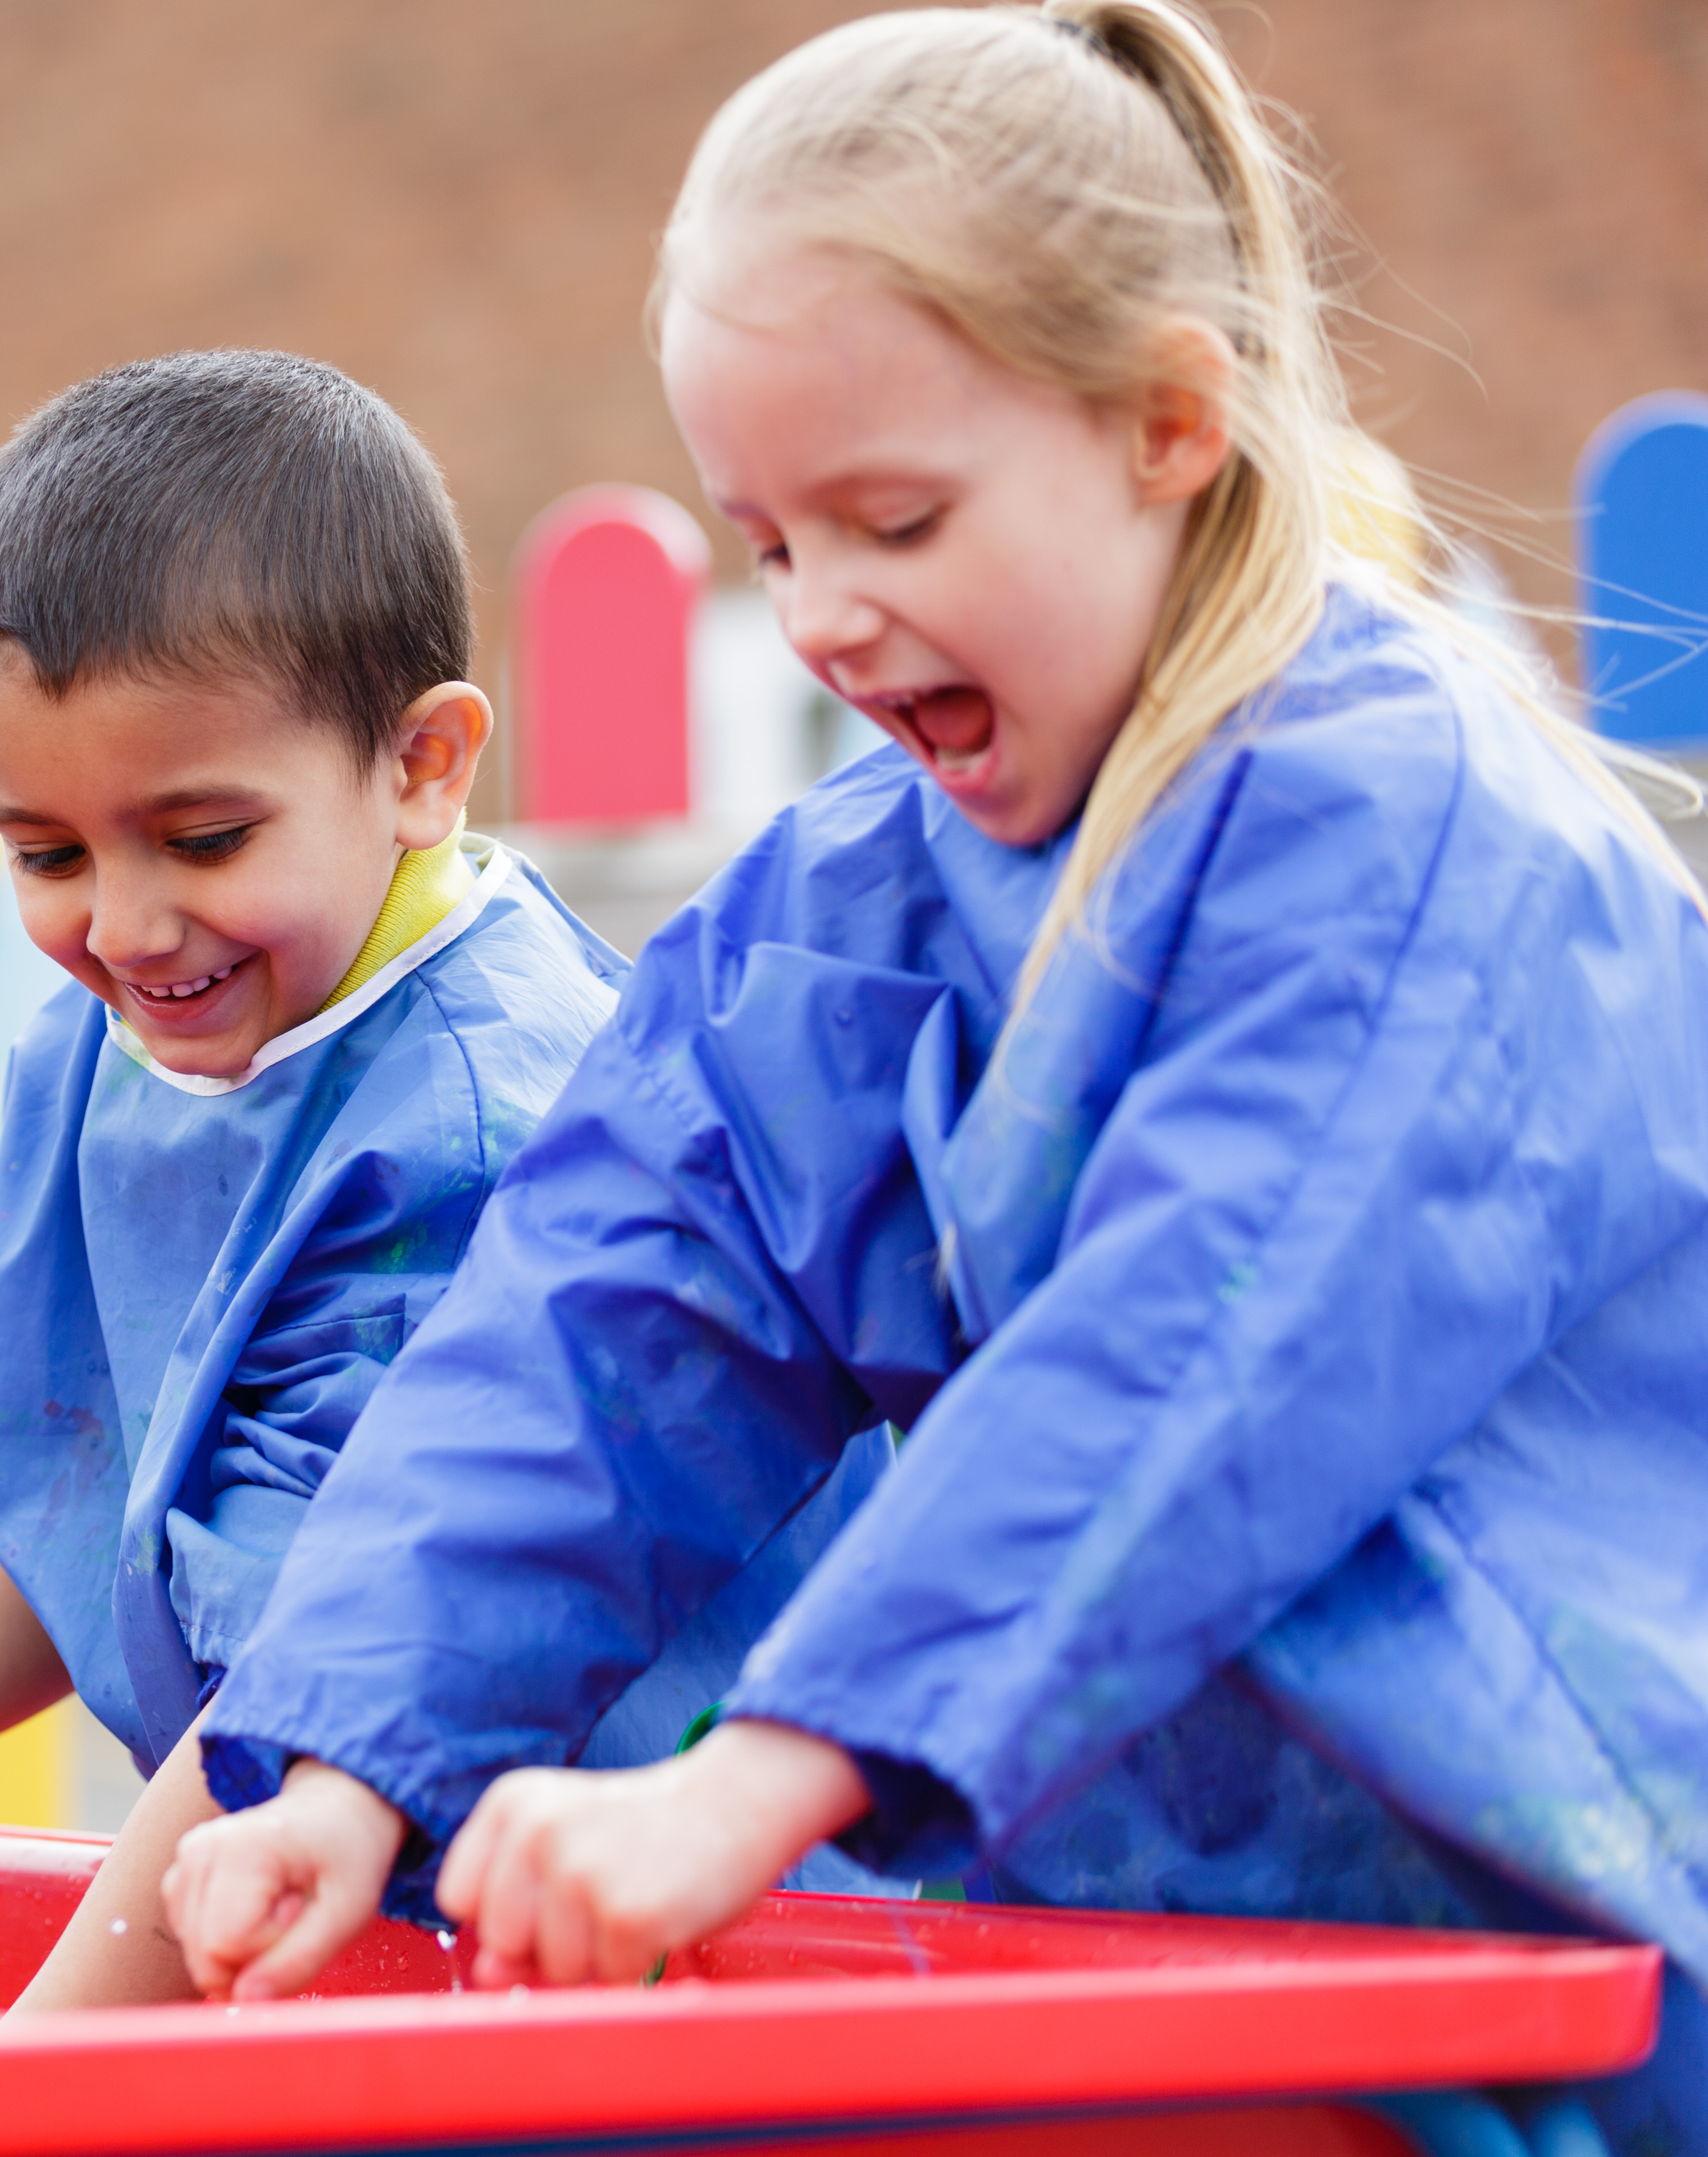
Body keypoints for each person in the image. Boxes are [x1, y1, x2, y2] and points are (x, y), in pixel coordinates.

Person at [161, 6, 1708, 2144]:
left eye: (893, 521)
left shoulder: (1403, 830)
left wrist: (755, 1781)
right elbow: (598, 1324)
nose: (820, 614)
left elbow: (1191, 1349)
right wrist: (351, 1761)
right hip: (1155, 1947)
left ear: (1169, 424)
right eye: (772, 544)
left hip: (1544, 1949)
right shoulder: (860, 905)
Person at [0, 350, 631, 2010]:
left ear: (424, 766)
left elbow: (308, 1681)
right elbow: (97, 1513)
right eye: (48, 853)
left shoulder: (477, 1128)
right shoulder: (133, 1041)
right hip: (338, 1922)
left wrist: (18, 2082)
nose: (129, 926)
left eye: (205, 838)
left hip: (624, 1965)